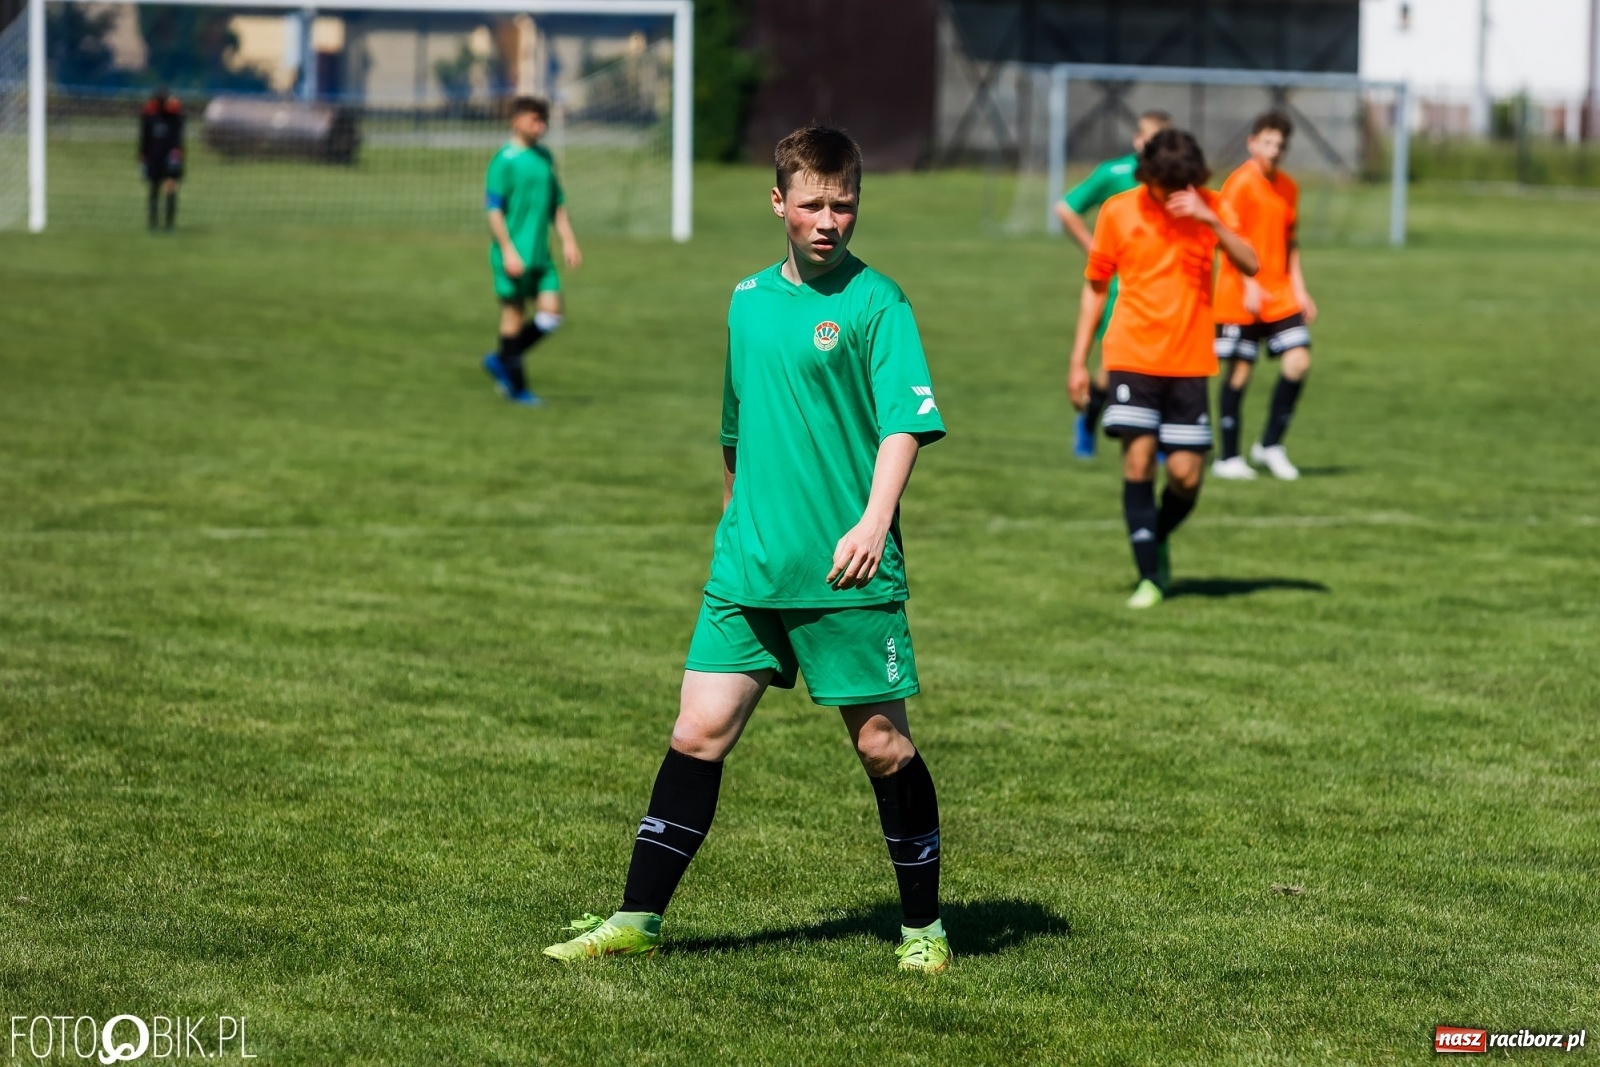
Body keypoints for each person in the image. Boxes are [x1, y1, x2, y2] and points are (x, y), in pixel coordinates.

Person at [543, 126, 952, 973]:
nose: (828, 220)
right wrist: (733, 520)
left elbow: (905, 424)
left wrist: (874, 522)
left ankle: (923, 929)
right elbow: (735, 425)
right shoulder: (746, 299)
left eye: (843, 204)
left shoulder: (880, 303)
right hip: (750, 568)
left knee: (882, 746)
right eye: (812, 204)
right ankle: (636, 917)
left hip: (845, 569)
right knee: (696, 732)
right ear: (778, 203)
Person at [1066, 129, 1259, 609]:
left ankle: (1154, 532)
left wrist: (1210, 220)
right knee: (1137, 463)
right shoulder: (1119, 210)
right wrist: (1079, 360)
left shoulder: (1208, 205)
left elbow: (1252, 263)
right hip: (1131, 357)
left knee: (1186, 477)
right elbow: (1095, 287)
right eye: (1162, 186)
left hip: (1191, 362)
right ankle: (1150, 574)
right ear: (1146, 176)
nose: (1170, 195)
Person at [1054, 110, 1171, 459]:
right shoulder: (1115, 173)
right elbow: (1066, 208)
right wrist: (1096, 250)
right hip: (1121, 286)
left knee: (1165, 362)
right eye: (1150, 138)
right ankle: (1089, 421)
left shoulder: (1172, 178)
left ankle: (1162, 438)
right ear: (1137, 140)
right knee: (1111, 367)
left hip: (1162, 287)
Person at [1211, 112, 1318, 481]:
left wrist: (1301, 291)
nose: (1273, 151)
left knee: (1299, 361)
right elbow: (1227, 239)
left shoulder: (1289, 187)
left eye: (1280, 145)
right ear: (1252, 142)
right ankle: (1228, 457)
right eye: (1267, 143)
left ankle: (1270, 444)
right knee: (1240, 372)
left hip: (1280, 292)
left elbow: (1291, 243)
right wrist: (1248, 283)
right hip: (1239, 295)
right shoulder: (1238, 184)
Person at [481, 96, 581, 406]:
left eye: (543, 121)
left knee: (552, 315)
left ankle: (501, 360)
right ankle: (519, 388)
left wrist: (568, 240)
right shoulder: (504, 160)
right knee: (513, 316)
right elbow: (494, 210)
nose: (540, 126)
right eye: (534, 120)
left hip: (541, 255)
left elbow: (557, 204)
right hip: (512, 255)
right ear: (516, 120)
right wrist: (508, 250)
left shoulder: (544, 157)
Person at [138, 88, 184, 231]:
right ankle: (153, 223)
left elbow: (179, 134)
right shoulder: (149, 117)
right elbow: (143, 139)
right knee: (154, 188)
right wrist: (142, 158)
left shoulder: (174, 117)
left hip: (171, 157)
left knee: (170, 187)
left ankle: (169, 224)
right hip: (154, 158)